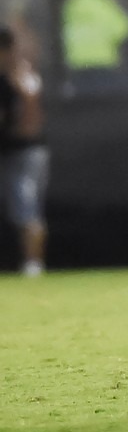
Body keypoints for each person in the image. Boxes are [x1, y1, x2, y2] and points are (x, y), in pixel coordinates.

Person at [0, 27, 49, 277]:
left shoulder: (21, 76)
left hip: (23, 153)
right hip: (8, 151)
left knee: (26, 207)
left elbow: (31, 121)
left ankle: (33, 264)